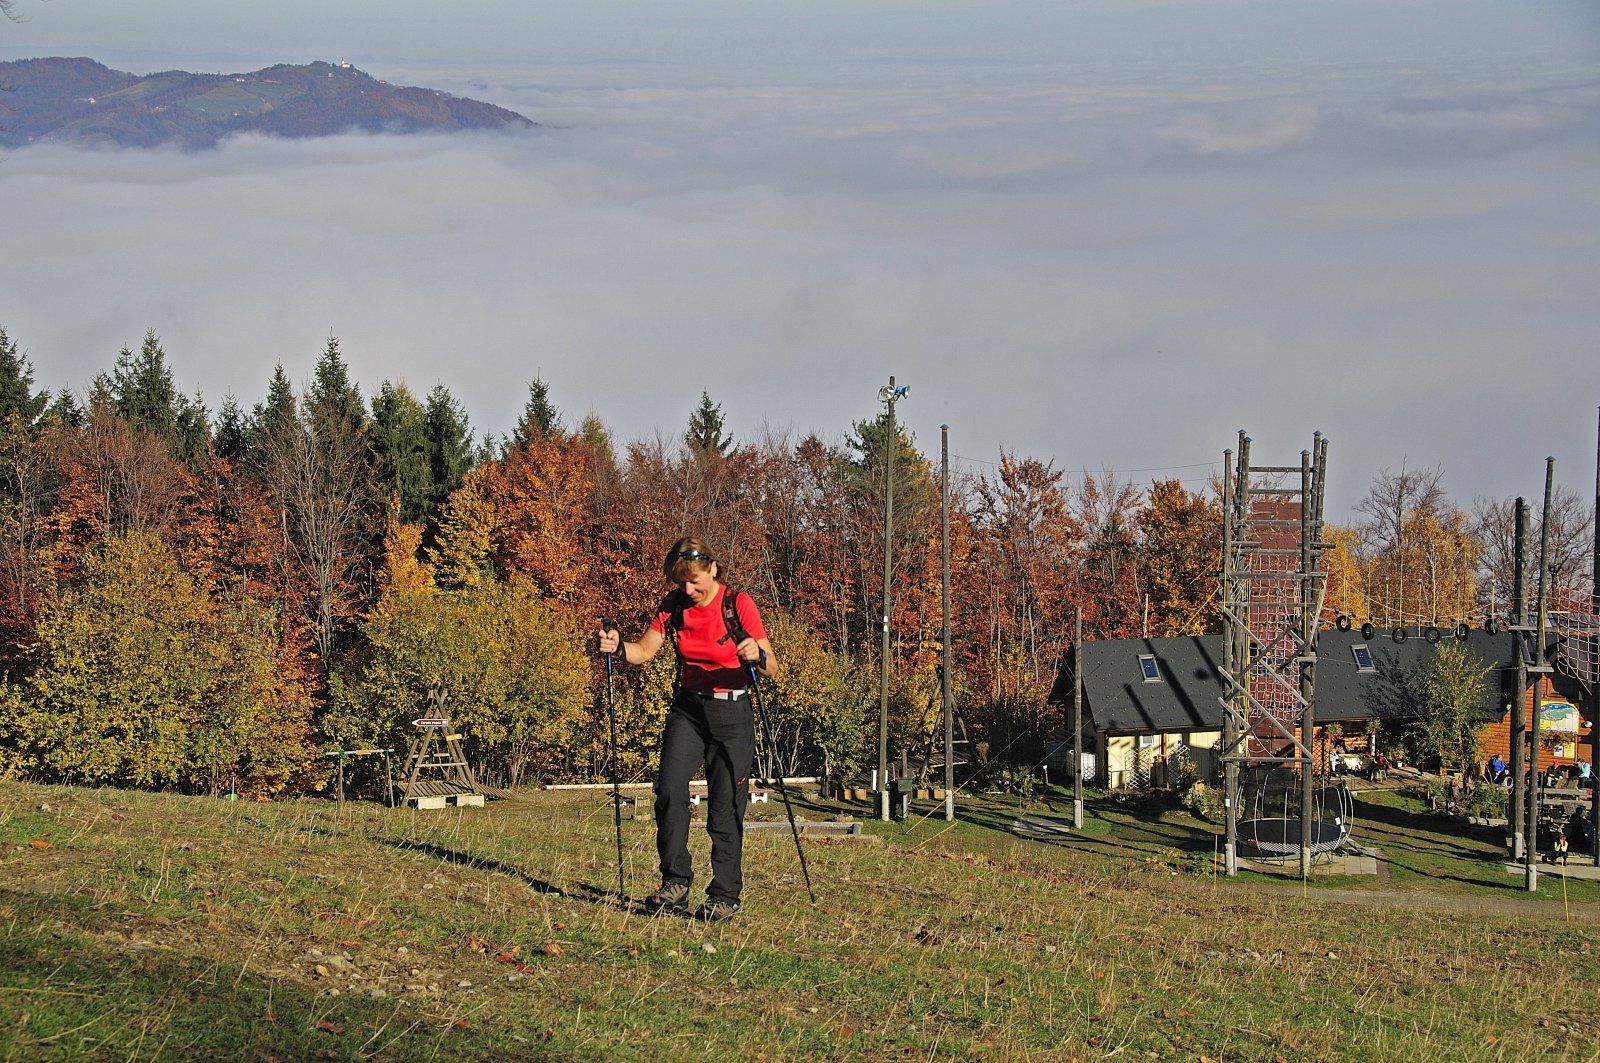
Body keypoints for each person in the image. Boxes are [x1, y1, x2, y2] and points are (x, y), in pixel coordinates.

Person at [598, 537, 777, 923]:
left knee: (726, 805)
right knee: (669, 790)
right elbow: (644, 651)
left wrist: (756, 654)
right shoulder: (674, 605)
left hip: (731, 713)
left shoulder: (737, 604)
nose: (688, 590)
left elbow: (772, 667)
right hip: (689, 710)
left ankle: (725, 895)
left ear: (713, 568)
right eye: (681, 583)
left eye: (694, 581)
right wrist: (618, 647)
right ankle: (675, 882)